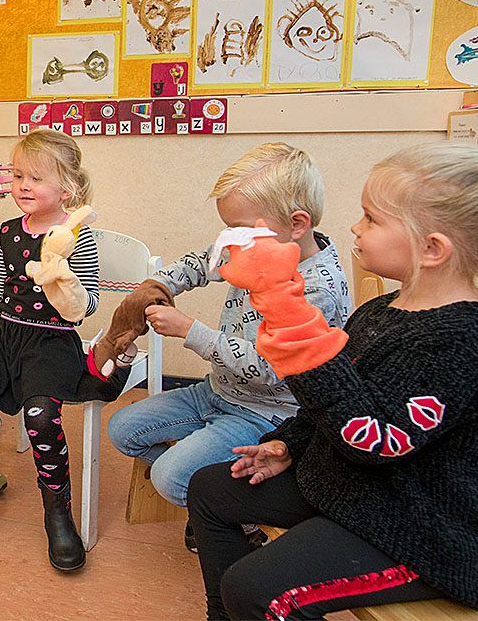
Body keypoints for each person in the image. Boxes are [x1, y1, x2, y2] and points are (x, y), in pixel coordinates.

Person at [188, 143, 478, 620]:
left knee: (253, 588)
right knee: (211, 489)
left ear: (431, 248)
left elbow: (375, 439)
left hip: (415, 533)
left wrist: (288, 314)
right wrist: (288, 446)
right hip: (351, 489)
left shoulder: (461, 341)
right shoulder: (381, 311)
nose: (354, 228)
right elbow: (335, 397)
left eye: (371, 218)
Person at [105, 143, 350, 552]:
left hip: (266, 414)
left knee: (170, 478)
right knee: (123, 430)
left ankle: (229, 508)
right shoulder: (256, 245)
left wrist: (190, 330)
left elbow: (272, 368)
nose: (231, 240)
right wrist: (161, 285)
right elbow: (203, 262)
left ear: (297, 223)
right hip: (217, 392)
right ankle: (212, 485)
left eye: (240, 228)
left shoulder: (318, 288)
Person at [0, 128, 116, 571]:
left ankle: (58, 514)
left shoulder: (78, 236)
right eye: (19, 175)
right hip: (5, 335)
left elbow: (86, 307)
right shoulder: (7, 232)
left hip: (51, 340)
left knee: (41, 416)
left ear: (67, 189)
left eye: (36, 178)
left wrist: (66, 283)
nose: (23, 186)